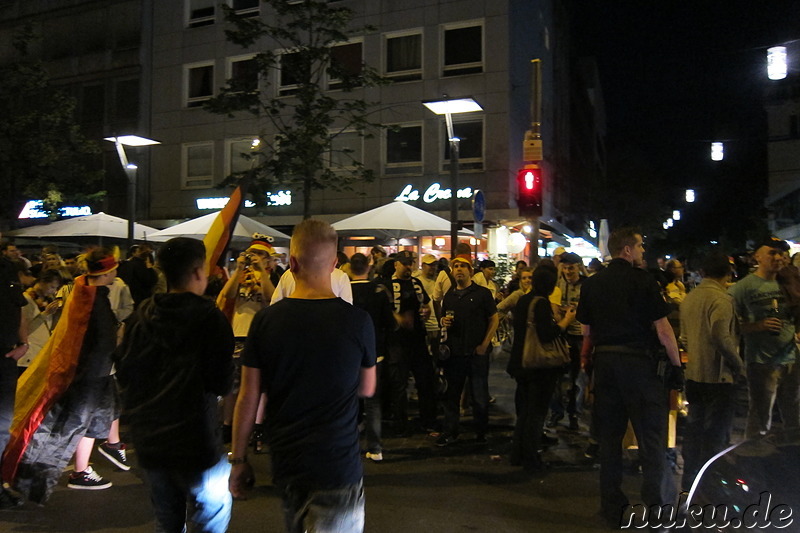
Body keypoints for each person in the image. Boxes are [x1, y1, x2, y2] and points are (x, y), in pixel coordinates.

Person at [230, 219, 376, 533]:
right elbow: (368, 387)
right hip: (338, 462)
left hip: (287, 461)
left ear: (292, 263)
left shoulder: (266, 321)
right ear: (336, 264)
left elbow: (248, 396)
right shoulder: (358, 321)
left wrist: (238, 459)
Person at [115, 237, 235, 533]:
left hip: (151, 439)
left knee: (167, 520)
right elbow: (221, 382)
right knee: (211, 514)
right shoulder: (210, 318)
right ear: (198, 271)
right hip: (196, 441)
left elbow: (125, 372)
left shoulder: (140, 316)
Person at [576, 227, 683, 528]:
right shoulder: (643, 281)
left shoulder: (592, 285)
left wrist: (587, 363)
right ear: (626, 250)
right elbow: (663, 329)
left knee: (609, 438)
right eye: (639, 246)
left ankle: (611, 505)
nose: (642, 252)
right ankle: (656, 505)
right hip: (639, 365)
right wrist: (676, 368)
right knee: (651, 438)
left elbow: (587, 331)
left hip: (605, 363)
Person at [2, 248, 120, 502]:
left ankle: (82, 470)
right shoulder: (93, 300)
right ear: (107, 272)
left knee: (93, 421)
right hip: (89, 374)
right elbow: (100, 342)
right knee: (64, 425)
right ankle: (29, 477)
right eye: (114, 269)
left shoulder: (83, 289)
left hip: (92, 372)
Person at [679, 251, 743, 491]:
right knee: (716, 434)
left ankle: (689, 481)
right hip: (719, 376)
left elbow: (684, 337)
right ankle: (711, 485)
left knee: (694, 429)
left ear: (703, 272)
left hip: (694, 373)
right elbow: (721, 337)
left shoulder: (689, 298)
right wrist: (738, 365)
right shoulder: (722, 300)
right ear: (728, 274)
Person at [729, 237, 800, 439]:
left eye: (781, 253)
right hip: (762, 363)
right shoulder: (743, 288)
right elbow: (729, 325)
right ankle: (755, 460)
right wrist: (757, 326)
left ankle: (792, 460)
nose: (778, 258)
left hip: (791, 360)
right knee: (760, 418)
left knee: (795, 417)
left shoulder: (789, 281)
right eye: (772, 253)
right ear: (757, 256)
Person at [508, 265, 576, 471]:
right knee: (536, 412)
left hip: (521, 362)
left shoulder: (523, 300)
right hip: (538, 366)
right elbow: (547, 334)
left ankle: (518, 453)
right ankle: (531, 456)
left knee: (525, 411)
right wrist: (566, 320)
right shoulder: (541, 303)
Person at [437, 255, 499, 446]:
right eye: (455, 266)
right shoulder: (450, 296)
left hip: (476, 354)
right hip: (454, 354)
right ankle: (450, 431)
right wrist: (442, 322)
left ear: (471, 271)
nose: (459, 269)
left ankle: (481, 432)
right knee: (452, 395)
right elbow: (444, 317)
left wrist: (484, 344)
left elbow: (494, 319)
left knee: (479, 395)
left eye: (463, 266)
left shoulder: (482, 294)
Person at [383, 250, 437, 435]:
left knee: (426, 380)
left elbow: (426, 305)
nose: (408, 267)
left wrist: (427, 312)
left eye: (410, 263)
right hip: (398, 342)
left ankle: (427, 419)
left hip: (418, 340)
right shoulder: (387, 285)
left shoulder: (416, 283)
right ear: (396, 264)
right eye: (405, 263)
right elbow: (383, 311)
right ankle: (400, 423)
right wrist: (397, 318)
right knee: (399, 384)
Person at [349, 253, 395, 462]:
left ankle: (349, 445)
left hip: (348, 354)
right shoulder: (379, 292)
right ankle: (375, 448)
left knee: (348, 401)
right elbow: (389, 322)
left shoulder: (343, 291)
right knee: (373, 402)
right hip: (374, 352)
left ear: (350, 268)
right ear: (369, 267)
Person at [0, 240, 28, 509]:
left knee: (1, 425)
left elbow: (17, 306)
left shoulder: (7, 268)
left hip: (5, 355)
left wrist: (23, 343)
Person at [548, 252, 586, 431]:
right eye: (565, 268)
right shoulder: (556, 285)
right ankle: (556, 412)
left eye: (571, 267)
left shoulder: (586, 286)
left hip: (580, 335)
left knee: (578, 378)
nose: (568, 271)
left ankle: (574, 414)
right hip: (561, 334)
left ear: (579, 267)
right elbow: (554, 308)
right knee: (556, 376)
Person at [18, 270, 63, 373]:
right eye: (52, 287)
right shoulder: (26, 300)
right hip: (28, 356)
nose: (53, 291)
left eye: (56, 288)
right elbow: (24, 330)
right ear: (42, 282)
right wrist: (45, 314)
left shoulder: (47, 300)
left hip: (41, 353)